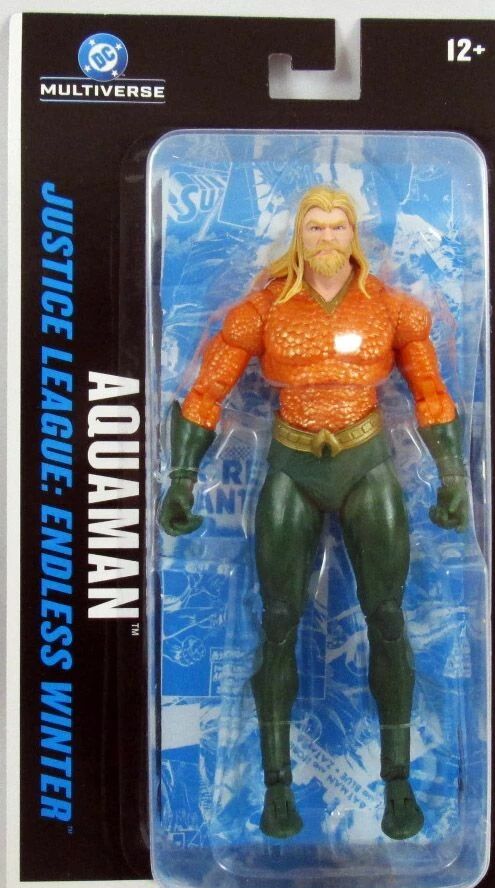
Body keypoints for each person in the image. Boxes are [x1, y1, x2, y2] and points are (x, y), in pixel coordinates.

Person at [159, 185, 469, 841]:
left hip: (367, 463)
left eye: (337, 225)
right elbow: (207, 389)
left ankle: (398, 785)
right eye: (315, 226)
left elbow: (431, 391)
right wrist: (182, 478)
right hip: (291, 464)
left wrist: (452, 475)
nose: (327, 236)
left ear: (353, 235)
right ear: (299, 235)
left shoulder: (393, 309)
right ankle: (277, 790)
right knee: (277, 621)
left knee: (388, 618)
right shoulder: (262, 309)